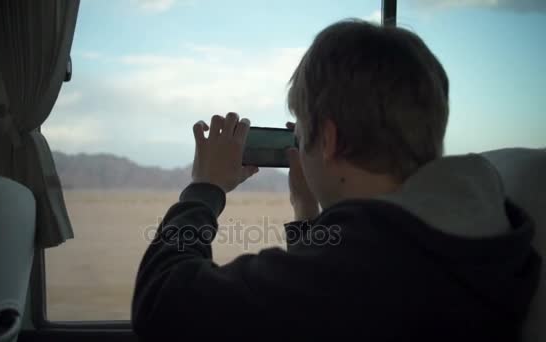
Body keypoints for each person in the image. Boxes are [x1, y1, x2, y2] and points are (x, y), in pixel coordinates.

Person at [131, 19, 541, 341]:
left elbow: (163, 304)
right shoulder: (487, 233)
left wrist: (204, 190)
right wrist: (308, 213)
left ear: (327, 140)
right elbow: (326, 300)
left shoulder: (365, 269)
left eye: (303, 133)